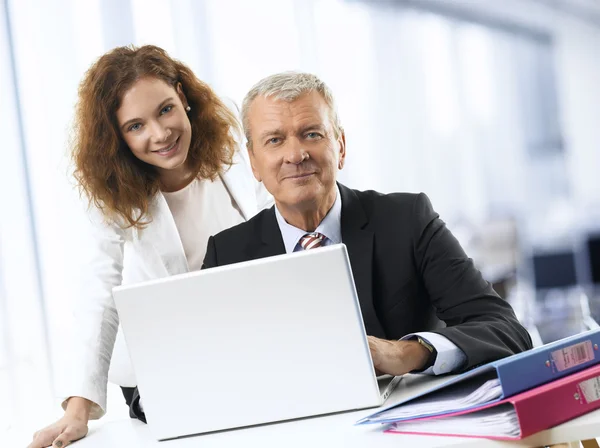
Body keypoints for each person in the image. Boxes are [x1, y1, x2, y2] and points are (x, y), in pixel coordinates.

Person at [202, 72, 533, 379]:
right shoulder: (227, 253)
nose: (296, 154)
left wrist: (410, 351)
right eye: (274, 140)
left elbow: (506, 330)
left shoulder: (407, 219)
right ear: (254, 163)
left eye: (312, 134)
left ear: (341, 146)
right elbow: (207, 369)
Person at [28, 45, 271, 448]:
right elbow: (98, 288)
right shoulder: (111, 190)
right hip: (164, 358)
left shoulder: (226, 122)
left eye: (165, 110)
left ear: (182, 95)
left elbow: (272, 209)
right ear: (117, 136)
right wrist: (77, 408)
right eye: (135, 126)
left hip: (247, 331)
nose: (160, 134)